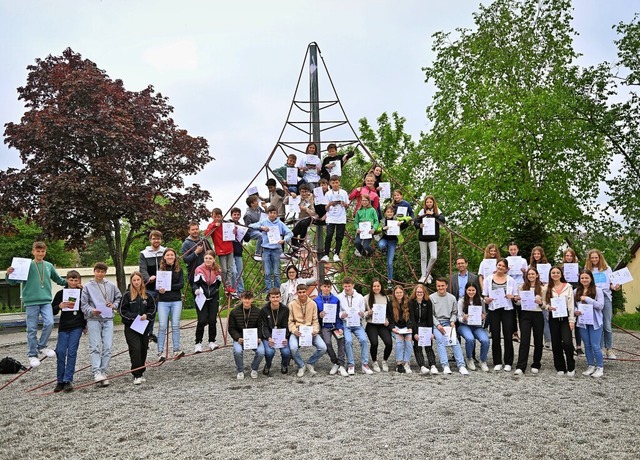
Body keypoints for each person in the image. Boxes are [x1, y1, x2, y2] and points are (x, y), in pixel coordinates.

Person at [5, 241, 67, 368]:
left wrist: (72, 283)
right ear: (33, 251)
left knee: (50, 323)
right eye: (38, 251)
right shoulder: (27, 265)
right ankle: (32, 355)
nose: (40, 253)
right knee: (31, 329)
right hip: (31, 302)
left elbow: (58, 279)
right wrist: (8, 274)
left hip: (45, 301)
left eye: (42, 251)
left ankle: (42, 346)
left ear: (45, 252)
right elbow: (13, 282)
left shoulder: (49, 265)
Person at [80, 262, 122, 386]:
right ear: (94, 272)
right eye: (98, 271)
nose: (100, 274)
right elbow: (84, 304)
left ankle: (104, 371)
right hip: (93, 319)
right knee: (95, 346)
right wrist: (92, 311)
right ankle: (97, 372)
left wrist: (113, 305)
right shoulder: (87, 286)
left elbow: (118, 298)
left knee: (108, 347)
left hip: (108, 318)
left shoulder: (111, 285)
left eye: (102, 272)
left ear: (105, 272)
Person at [119, 271, 156, 385]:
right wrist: (134, 317)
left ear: (141, 281)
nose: (136, 282)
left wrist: (147, 316)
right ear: (131, 281)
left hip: (143, 327)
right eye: (134, 280)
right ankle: (136, 374)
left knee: (143, 348)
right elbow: (122, 311)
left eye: (138, 280)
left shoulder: (147, 295)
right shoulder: (127, 295)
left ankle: (141, 370)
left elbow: (152, 309)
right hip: (131, 327)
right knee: (135, 349)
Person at [51, 270, 85, 392]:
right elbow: (52, 310)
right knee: (60, 352)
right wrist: (59, 306)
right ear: (67, 280)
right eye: (71, 280)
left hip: (77, 325)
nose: (73, 282)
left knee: (72, 352)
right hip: (64, 327)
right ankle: (59, 380)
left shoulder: (82, 293)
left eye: (76, 280)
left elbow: (84, 310)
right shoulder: (61, 293)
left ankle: (67, 379)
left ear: (79, 281)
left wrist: (85, 325)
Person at [482, 258, 518, 371]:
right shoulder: (488, 279)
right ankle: (497, 361)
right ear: (496, 266)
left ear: (506, 268)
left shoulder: (511, 280)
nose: (500, 267)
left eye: (503, 266)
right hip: (494, 310)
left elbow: (516, 297)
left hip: (507, 309)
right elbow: (485, 296)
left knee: (508, 335)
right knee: (495, 335)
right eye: (499, 265)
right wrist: (487, 300)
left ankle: (508, 362)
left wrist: (512, 297)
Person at [584, 249, 620, 360]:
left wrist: (614, 287)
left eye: (596, 257)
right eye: (592, 257)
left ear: (600, 258)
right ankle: (599, 349)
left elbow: (610, 284)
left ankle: (609, 348)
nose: (594, 259)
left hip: (605, 297)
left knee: (607, 325)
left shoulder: (607, 269)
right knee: (597, 324)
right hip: (593, 298)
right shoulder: (587, 270)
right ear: (589, 259)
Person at [248, 205, 293, 291]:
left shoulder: (280, 224)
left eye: (274, 213)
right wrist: (261, 227)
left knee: (276, 272)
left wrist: (284, 240)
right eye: (270, 213)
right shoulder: (264, 222)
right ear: (268, 213)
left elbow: (290, 233)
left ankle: (277, 290)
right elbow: (250, 225)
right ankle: (269, 291)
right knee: (267, 273)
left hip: (276, 249)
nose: (272, 215)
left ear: (276, 214)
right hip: (266, 249)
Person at [430, 278, 469, 375]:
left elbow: (455, 313)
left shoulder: (452, 298)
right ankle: (445, 365)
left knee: (454, 341)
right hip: (436, 324)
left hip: (448, 323)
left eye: (442, 285)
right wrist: (438, 325)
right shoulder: (431, 297)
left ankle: (461, 365)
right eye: (438, 286)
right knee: (440, 340)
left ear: (446, 286)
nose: (440, 288)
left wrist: (452, 321)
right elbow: (431, 315)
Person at [288, 283, 327, 377]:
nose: (302, 294)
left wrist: (315, 330)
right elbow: (290, 321)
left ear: (307, 292)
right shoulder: (292, 304)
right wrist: (294, 330)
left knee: (323, 347)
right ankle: (301, 365)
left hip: (310, 331)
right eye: (299, 292)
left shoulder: (313, 304)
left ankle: (310, 363)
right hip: (297, 331)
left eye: (304, 292)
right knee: (293, 348)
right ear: (297, 293)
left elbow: (315, 320)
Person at [544, 266, 576, 376]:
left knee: (567, 342)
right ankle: (560, 367)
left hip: (565, 317)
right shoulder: (547, 287)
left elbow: (571, 304)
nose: (555, 274)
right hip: (553, 317)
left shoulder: (568, 287)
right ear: (550, 275)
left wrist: (572, 320)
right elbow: (544, 303)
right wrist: (548, 307)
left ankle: (571, 367)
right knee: (556, 343)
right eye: (553, 273)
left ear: (561, 274)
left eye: (557, 272)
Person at [338, 278, 374, 375]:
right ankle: (350, 364)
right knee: (348, 341)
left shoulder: (359, 297)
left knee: (363, 340)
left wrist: (362, 314)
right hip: (346, 323)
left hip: (357, 323)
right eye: (345, 286)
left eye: (349, 286)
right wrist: (342, 315)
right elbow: (338, 311)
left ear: (353, 285)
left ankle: (365, 364)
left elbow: (362, 310)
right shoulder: (339, 297)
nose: (347, 288)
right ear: (342, 286)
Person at [514, 268, 545, 375]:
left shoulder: (542, 288)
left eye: (533, 274)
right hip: (525, 314)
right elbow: (518, 304)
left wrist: (540, 302)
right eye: (529, 274)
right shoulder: (522, 287)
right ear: (526, 276)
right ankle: (521, 366)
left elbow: (545, 305)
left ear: (537, 275)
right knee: (524, 340)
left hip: (537, 314)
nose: (531, 276)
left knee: (538, 340)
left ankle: (536, 363)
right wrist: (517, 300)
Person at [574, 270, 605, 378]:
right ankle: (591, 365)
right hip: (583, 322)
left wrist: (587, 299)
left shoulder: (598, 290)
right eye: (582, 278)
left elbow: (600, 306)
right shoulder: (576, 291)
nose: (584, 280)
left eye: (586, 278)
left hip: (595, 322)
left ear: (591, 278)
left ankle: (600, 367)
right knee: (587, 345)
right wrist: (575, 311)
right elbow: (573, 305)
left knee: (595, 345)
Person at [156, 248, 185, 361]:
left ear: (175, 257)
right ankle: (160, 352)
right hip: (163, 301)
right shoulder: (160, 270)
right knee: (162, 326)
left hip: (176, 300)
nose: (170, 257)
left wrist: (168, 287)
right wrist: (161, 290)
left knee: (175, 325)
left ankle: (176, 350)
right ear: (164, 257)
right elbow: (158, 286)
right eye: (168, 255)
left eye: (172, 255)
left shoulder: (179, 270)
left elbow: (181, 284)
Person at [228, 291, 265, 379]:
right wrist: (237, 338)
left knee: (261, 352)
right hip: (240, 337)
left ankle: (254, 368)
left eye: (249, 299)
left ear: (252, 299)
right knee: (237, 351)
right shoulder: (234, 312)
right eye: (245, 299)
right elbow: (231, 328)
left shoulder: (258, 311)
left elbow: (261, 326)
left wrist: (259, 337)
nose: (247, 301)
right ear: (241, 299)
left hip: (254, 338)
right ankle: (240, 370)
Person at [315, 280, 348, 377]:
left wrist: (340, 327)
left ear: (331, 288)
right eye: (325, 286)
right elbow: (314, 316)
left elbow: (338, 315)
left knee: (341, 340)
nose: (326, 288)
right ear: (321, 287)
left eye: (328, 287)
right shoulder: (316, 300)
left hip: (335, 325)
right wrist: (319, 315)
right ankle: (336, 362)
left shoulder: (336, 300)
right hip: (325, 326)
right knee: (327, 343)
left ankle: (341, 365)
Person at [192, 250, 222, 353]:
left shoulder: (217, 270)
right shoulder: (199, 269)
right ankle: (198, 343)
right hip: (201, 298)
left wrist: (214, 293)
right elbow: (195, 283)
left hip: (213, 298)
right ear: (203, 259)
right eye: (206, 258)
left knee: (212, 320)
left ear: (214, 259)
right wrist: (196, 290)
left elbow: (218, 284)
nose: (208, 260)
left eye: (210, 258)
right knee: (202, 320)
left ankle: (212, 341)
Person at [457, 283, 490, 372]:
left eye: (473, 290)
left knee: (485, 340)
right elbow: (459, 317)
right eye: (469, 290)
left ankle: (482, 360)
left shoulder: (480, 300)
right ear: (466, 290)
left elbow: (484, 313)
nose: (471, 292)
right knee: (470, 338)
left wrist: (483, 316)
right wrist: (463, 318)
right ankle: (469, 358)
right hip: (465, 325)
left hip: (477, 326)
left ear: (476, 291)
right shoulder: (462, 301)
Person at [138, 230, 164, 342]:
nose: (156, 240)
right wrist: (148, 278)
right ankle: (146, 333)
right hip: (150, 287)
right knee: (149, 310)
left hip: (163, 287)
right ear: (150, 240)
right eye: (154, 238)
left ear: (161, 240)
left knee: (161, 311)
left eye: (158, 238)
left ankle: (154, 335)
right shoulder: (144, 253)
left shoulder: (165, 251)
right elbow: (142, 269)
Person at [377, 204, 411, 287]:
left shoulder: (396, 219)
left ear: (393, 213)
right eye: (388, 212)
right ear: (385, 213)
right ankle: (384, 251)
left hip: (392, 242)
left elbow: (409, 217)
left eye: (391, 212)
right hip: (384, 240)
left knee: (389, 263)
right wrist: (383, 228)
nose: (389, 213)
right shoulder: (382, 221)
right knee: (381, 245)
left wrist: (402, 221)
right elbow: (377, 229)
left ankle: (389, 280)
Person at [260, 288, 292, 375]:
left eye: (277, 297)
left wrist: (285, 337)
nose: (275, 299)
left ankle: (284, 364)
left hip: (281, 336)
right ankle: (268, 365)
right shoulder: (264, 310)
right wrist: (269, 338)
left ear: (280, 297)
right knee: (270, 352)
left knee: (286, 352)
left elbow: (286, 326)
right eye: (273, 297)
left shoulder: (285, 309)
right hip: (269, 335)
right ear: (269, 298)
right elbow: (264, 326)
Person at [205, 208, 237, 293]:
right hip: (220, 250)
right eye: (215, 217)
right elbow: (206, 235)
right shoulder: (212, 225)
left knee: (230, 268)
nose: (217, 218)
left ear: (222, 216)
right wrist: (214, 226)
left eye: (219, 216)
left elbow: (234, 235)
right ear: (212, 216)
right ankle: (225, 286)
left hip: (230, 248)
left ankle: (229, 285)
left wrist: (234, 231)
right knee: (224, 270)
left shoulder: (227, 224)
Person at [415, 195, 445, 284]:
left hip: (433, 237)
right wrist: (419, 225)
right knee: (423, 257)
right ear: (425, 203)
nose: (428, 204)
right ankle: (423, 276)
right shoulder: (422, 211)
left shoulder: (437, 211)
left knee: (434, 256)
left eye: (430, 202)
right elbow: (416, 222)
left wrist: (434, 214)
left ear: (433, 203)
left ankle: (427, 273)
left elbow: (443, 220)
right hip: (423, 237)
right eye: (427, 202)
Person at [363, 279, 392, 372]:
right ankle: (374, 361)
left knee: (389, 343)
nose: (376, 288)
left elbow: (389, 313)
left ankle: (385, 361)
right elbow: (362, 313)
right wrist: (368, 313)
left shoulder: (386, 297)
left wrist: (387, 320)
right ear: (371, 287)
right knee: (374, 343)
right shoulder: (366, 298)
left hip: (382, 324)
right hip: (371, 324)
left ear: (381, 287)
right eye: (374, 286)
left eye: (378, 286)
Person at [409, 283, 438, 374]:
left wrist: (431, 332)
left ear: (424, 293)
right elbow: (412, 319)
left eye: (421, 292)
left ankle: (432, 365)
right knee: (418, 346)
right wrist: (415, 333)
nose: (419, 294)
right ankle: (422, 366)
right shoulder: (411, 302)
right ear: (415, 292)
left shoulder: (428, 302)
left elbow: (430, 318)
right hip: (416, 325)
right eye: (418, 292)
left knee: (429, 345)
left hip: (426, 325)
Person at [322, 175, 350, 262]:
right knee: (329, 235)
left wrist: (344, 204)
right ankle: (326, 254)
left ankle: (336, 254)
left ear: (339, 183)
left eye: (336, 182)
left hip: (341, 218)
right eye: (333, 183)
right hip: (331, 217)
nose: (335, 184)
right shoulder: (328, 193)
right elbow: (325, 208)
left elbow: (347, 206)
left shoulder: (344, 193)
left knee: (339, 237)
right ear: (330, 183)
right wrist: (330, 204)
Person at [529, 246, 552, 349]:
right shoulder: (530, 266)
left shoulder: (547, 265)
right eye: (535, 254)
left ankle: (548, 340)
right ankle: (538, 340)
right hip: (533, 292)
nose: (536, 255)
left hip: (544, 290)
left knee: (545, 316)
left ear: (542, 254)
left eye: (538, 254)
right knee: (535, 316)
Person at [387, 285, 413, 373]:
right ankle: (399, 363)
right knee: (399, 340)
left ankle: (407, 363)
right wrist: (393, 328)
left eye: (400, 292)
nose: (399, 294)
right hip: (396, 327)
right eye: (397, 292)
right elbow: (390, 319)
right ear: (394, 294)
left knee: (409, 340)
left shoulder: (408, 303)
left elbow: (410, 318)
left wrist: (410, 327)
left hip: (406, 326)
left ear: (403, 293)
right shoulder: (390, 304)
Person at [561, 248, 582, 355]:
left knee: (577, 321)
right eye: (567, 256)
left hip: (576, 294)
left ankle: (579, 346)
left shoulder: (579, 268)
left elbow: (583, 282)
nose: (569, 258)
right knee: (567, 320)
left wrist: (579, 277)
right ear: (564, 257)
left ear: (574, 257)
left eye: (571, 256)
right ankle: (568, 345)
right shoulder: (560, 269)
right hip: (564, 296)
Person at [286, 184, 317, 255]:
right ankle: (294, 252)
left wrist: (306, 209)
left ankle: (301, 243)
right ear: (299, 192)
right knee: (292, 234)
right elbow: (285, 202)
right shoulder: (298, 198)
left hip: (311, 218)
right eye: (302, 192)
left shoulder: (311, 198)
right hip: (301, 219)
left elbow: (313, 212)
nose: (304, 194)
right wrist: (290, 195)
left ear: (309, 192)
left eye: (306, 192)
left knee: (304, 223)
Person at [507, 242, 528, 342]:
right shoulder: (506, 260)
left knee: (521, 308)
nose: (513, 251)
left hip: (520, 284)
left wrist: (524, 271)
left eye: (514, 249)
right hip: (510, 284)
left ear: (518, 250)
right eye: (511, 250)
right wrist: (507, 270)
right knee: (512, 310)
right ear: (509, 250)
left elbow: (527, 276)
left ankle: (524, 332)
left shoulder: (523, 260)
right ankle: (514, 332)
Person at [181, 222, 211, 288]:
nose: (195, 231)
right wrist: (196, 253)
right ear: (189, 231)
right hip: (194, 274)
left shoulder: (204, 241)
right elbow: (185, 260)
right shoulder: (186, 244)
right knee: (198, 295)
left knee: (209, 293)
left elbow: (212, 254)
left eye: (197, 229)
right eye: (193, 230)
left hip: (207, 272)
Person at [243, 195, 266, 260]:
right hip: (251, 231)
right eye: (256, 201)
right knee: (261, 235)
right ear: (252, 204)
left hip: (261, 228)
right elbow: (249, 226)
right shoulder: (248, 215)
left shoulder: (258, 208)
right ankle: (257, 253)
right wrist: (260, 227)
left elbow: (265, 214)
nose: (257, 202)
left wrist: (265, 207)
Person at [229, 207, 245, 295]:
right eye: (234, 214)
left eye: (238, 214)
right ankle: (234, 289)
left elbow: (247, 238)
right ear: (231, 215)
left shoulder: (241, 226)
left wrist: (244, 231)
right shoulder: (228, 224)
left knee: (240, 274)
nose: (236, 216)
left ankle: (241, 292)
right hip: (230, 252)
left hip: (238, 252)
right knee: (233, 272)